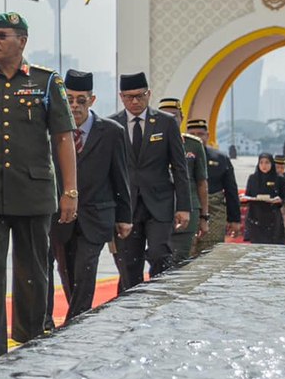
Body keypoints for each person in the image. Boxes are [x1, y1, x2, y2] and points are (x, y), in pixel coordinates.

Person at [0, 12, 76, 371]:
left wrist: (70, 191)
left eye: (2, 35)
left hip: (33, 191)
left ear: (22, 41)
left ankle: (29, 339)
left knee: (33, 270)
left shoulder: (46, 81)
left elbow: (63, 137)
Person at [47, 69, 131, 325]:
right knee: (66, 271)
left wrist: (124, 217)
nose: (74, 106)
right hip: (60, 217)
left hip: (96, 216)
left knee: (86, 268)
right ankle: (65, 320)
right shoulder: (52, 131)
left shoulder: (111, 132)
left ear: (91, 100)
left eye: (80, 100)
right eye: (69, 100)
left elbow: (121, 177)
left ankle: (75, 322)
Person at [110, 73, 190, 290]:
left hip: (160, 203)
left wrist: (183, 206)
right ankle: (131, 308)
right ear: (121, 97)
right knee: (129, 262)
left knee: (159, 253)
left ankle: (159, 298)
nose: (135, 102)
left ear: (149, 94)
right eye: (129, 97)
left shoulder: (165, 123)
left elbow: (180, 167)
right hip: (127, 206)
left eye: (140, 96)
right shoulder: (111, 125)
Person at [157, 98, 208, 265]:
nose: (171, 120)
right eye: (165, 116)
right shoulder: (150, 142)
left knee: (180, 260)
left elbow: (201, 183)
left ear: (182, 118)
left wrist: (204, 216)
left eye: (175, 116)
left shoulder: (193, 145)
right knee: (158, 258)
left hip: (188, 208)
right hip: (157, 208)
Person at [186, 118, 242, 252]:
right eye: (192, 134)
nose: (197, 138)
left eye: (200, 134)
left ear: (207, 135)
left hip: (215, 212)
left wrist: (234, 219)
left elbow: (231, 190)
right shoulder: (180, 156)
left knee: (211, 253)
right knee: (186, 254)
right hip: (188, 210)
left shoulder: (220, 158)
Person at [242, 153, 285, 244]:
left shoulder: (279, 178)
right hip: (255, 215)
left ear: (272, 164)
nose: (264, 165)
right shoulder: (253, 178)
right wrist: (244, 199)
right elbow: (248, 195)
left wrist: (280, 200)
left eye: (267, 163)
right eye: (261, 163)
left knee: (273, 244)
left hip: (273, 216)